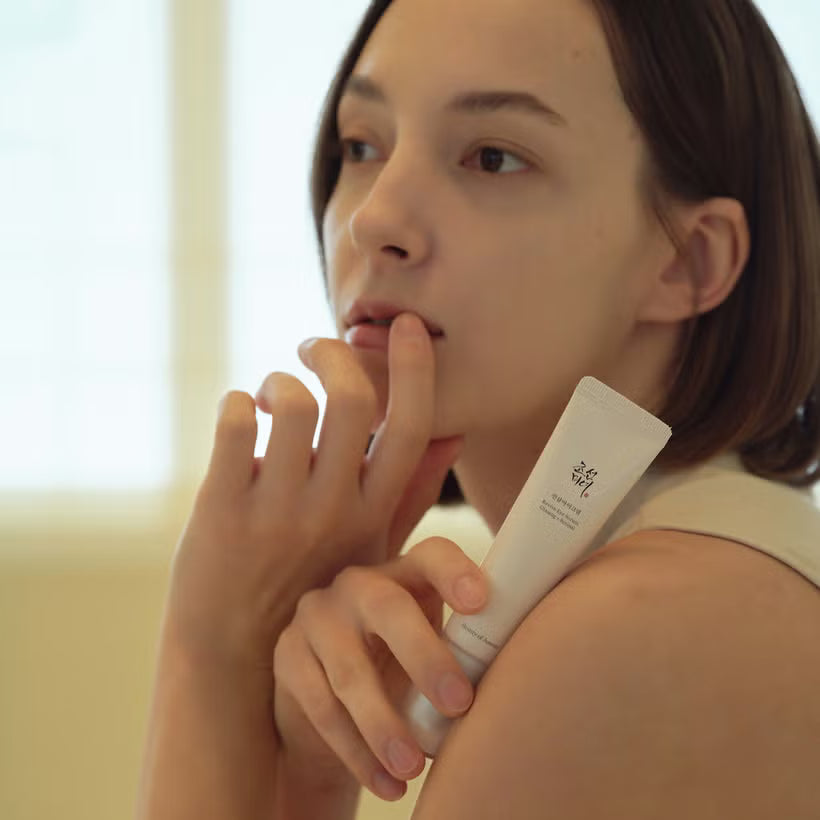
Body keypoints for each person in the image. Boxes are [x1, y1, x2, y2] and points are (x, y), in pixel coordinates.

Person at [136, 0, 820, 817]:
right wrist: (307, 776)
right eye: (361, 146)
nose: (372, 219)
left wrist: (210, 657)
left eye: (493, 158)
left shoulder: (637, 625)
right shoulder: (719, 574)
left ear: (690, 261)